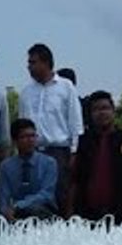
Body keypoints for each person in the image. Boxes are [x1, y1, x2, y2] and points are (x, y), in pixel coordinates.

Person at [19, 43, 83, 217]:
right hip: (32, 153)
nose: (29, 67)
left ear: (46, 63)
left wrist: (75, 152)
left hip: (58, 153)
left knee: (60, 198)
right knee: (32, 202)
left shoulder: (66, 87)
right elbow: (21, 125)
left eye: (33, 62)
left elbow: (75, 122)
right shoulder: (26, 92)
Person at [70, 90, 122, 222]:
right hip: (88, 215)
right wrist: (70, 213)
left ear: (113, 111)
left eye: (105, 108)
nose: (101, 113)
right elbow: (75, 180)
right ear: (90, 114)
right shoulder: (83, 142)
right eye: (96, 109)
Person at [0, 118, 58, 221]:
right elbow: (3, 196)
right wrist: (6, 211)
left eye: (33, 136)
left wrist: (20, 205)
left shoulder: (49, 163)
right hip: (15, 213)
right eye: (24, 137)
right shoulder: (6, 166)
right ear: (15, 141)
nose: (30, 140)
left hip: (42, 210)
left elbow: (47, 194)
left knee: (36, 210)